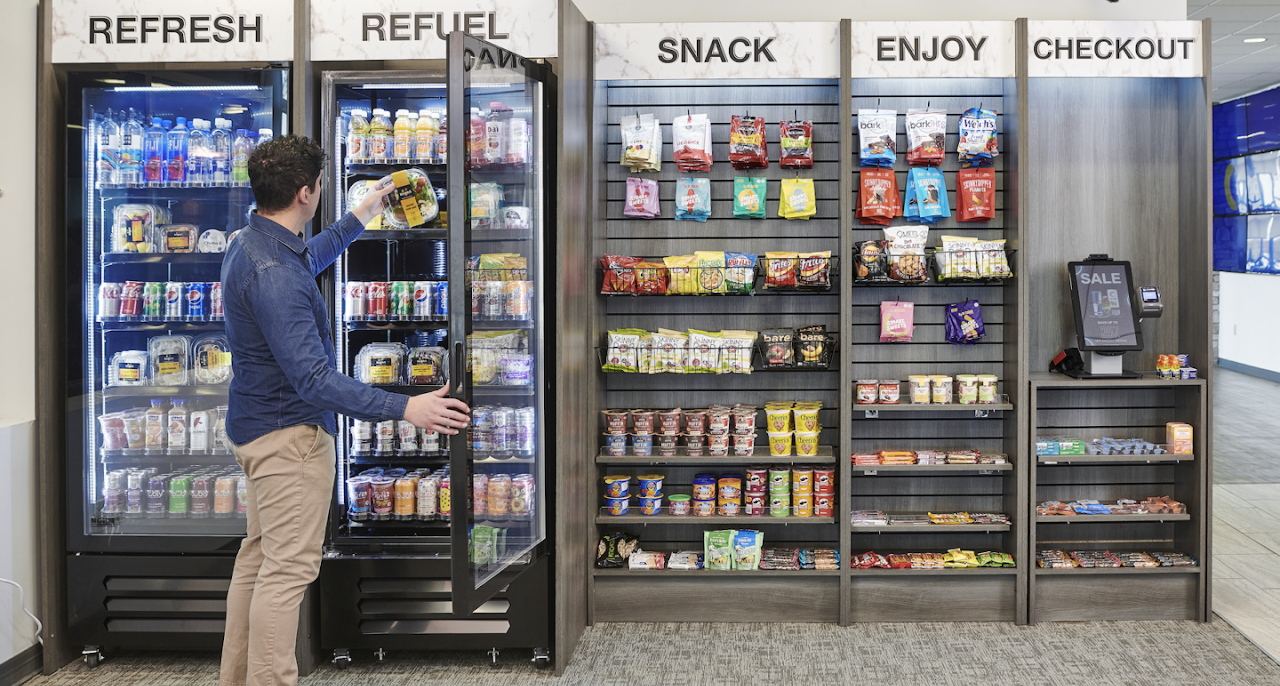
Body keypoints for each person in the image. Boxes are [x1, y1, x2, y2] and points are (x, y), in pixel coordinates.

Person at [217, 135, 470, 686]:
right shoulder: (277, 275)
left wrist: (360, 216)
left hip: (253, 428)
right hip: (289, 441)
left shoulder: (251, 242)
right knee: (287, 574)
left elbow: (307, 258)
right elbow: (313, 380)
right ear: (306, 192)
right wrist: (406, 407)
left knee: (258, 562)